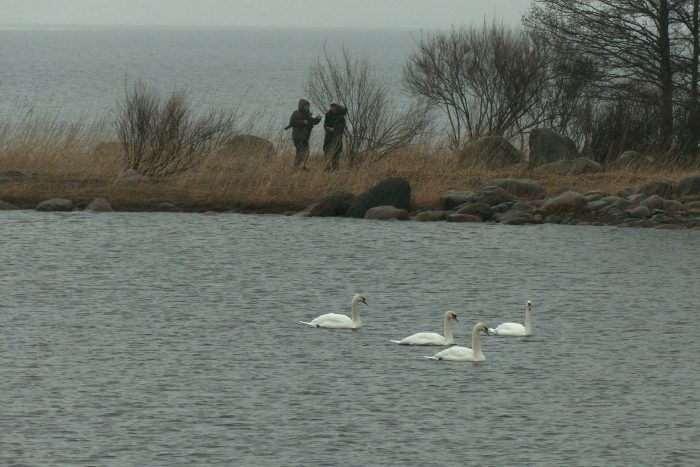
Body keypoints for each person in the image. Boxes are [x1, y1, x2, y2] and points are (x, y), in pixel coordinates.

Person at [287, 99, 321, 169]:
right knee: (300, 151)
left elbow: (312, 122)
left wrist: (318, 119)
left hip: (305, 137)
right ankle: (296, 166)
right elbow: (291, 123)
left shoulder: (308, 114)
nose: (307, 107)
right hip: (297, 136)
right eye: (305, 106)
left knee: (307, 152)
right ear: (301, 106)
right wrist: (302, 122)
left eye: (308, 106)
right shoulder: (295, 113)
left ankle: (302, 166)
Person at [322, 103, 347, 171]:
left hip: (337, 137)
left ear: (337, 108)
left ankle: (335, 168)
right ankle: (326, 168)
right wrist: (328, 129)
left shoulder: (341, 116)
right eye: (332, 107)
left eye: (334, 107)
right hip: (328, 137)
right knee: (327, 151)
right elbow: (325, 125)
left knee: (336, 152)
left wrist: (334, 129)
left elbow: (342, 126)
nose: (333, 108)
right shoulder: (328, 115)